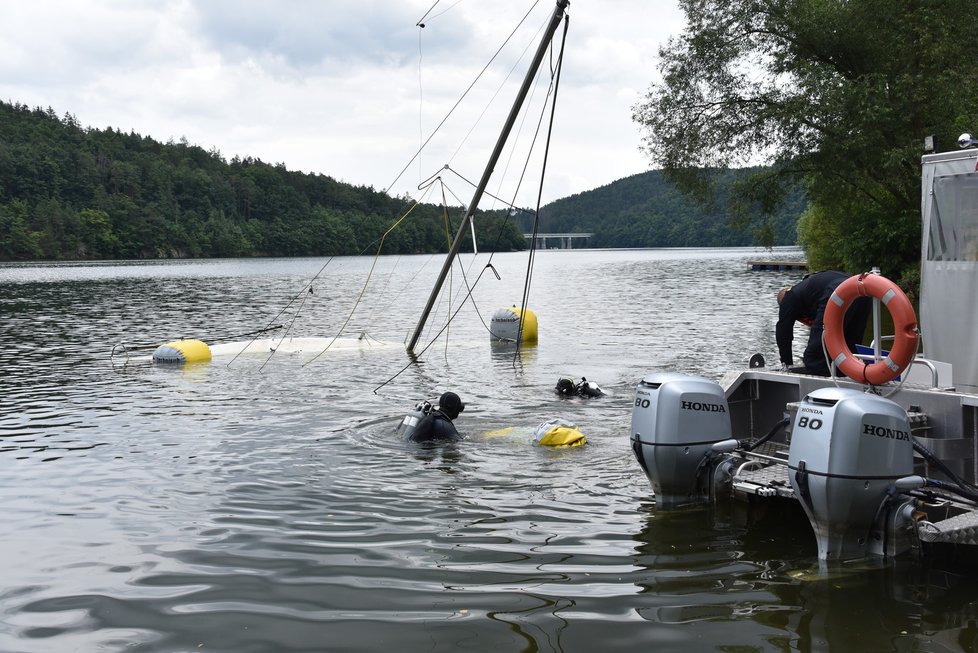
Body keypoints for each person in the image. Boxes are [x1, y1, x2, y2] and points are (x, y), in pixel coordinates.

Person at [776, 270, 872, 376]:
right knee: (849, 349)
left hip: (836, 292)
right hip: (862, 293)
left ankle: (821, 385)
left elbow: (783, 333)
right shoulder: (809, 289)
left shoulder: (788, 298)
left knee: (814, 356)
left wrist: (787, 364)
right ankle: (850, 377)